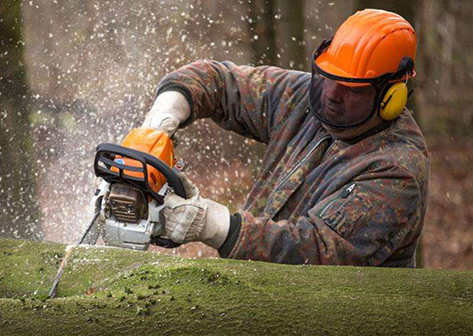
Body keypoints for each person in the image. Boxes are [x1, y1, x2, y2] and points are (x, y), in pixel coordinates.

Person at [140, 9, 430, 267]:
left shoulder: (397, 170)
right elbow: (223, 82)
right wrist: (163, 117)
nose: (330, 95)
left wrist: (213, 224)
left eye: (351, 89)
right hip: (260, 295)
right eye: (328, 77)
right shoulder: (304, 99)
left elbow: (316, 251)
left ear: (391, 97)